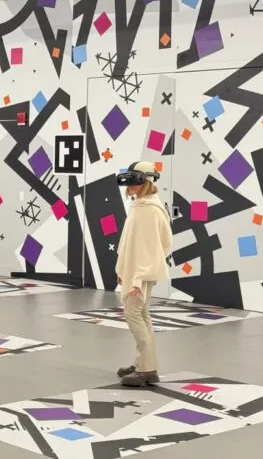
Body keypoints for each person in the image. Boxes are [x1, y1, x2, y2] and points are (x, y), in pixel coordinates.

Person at [114, 161, 172, 387]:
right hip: (138, 270)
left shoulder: (149, 210)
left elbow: (148, 248)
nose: (129, 186)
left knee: (134, 315)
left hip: (140, 273)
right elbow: (131, 242)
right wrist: (124, 268)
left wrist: (137, 278)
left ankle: (147, 370)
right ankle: (143, 363)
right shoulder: (142, 205)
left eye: (134, 181)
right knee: (142, 314)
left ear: (144, 181)